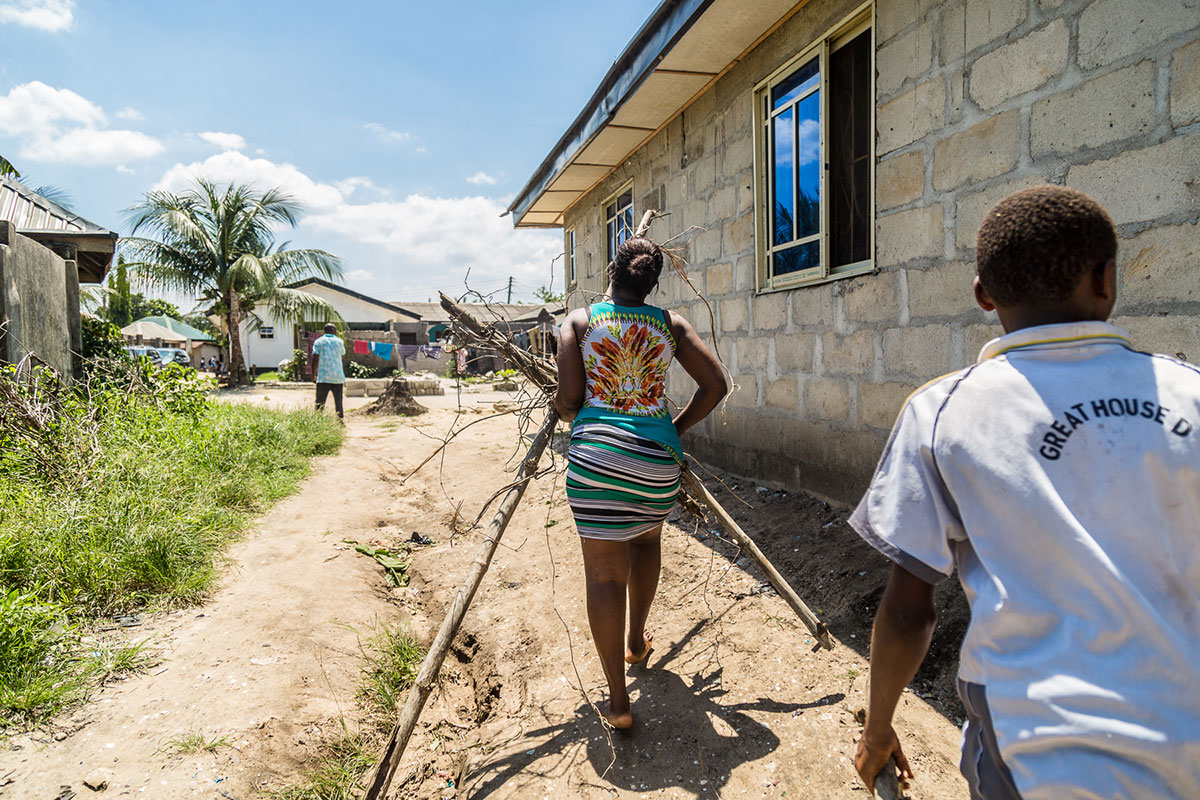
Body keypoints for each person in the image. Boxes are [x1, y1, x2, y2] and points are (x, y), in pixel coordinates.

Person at [851, 185, 1200, 799]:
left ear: (983, 295)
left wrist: (878, 730)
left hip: (1032, 751)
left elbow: (909, 610)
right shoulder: (1190, 394)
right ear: (1108, 278)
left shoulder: (943, 412)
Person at [555, 236, 727, 730]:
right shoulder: (669, 325)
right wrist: (673, 430)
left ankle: (618, 702)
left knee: (604, 575)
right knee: (647, 540)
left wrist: (567, 412)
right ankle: (636, 641)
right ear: (652, 285)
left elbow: (569, 397)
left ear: (610, 274)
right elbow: (715, 385)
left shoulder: (580, 322)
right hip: (656, 463)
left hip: (598, 461)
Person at [311, 323, 346, 420]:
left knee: (320, 402)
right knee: (338, 401)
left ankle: (318, 420)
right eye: (335, 330)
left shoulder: (318, 342)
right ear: (332, 330)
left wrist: (314, 375)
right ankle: (340, 419)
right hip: (338, 376)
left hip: (323, 376)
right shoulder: (339, 342)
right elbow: (342, 355)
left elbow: (315, 358)